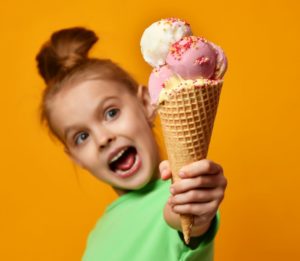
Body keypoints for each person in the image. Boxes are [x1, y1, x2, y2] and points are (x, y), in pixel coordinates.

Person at [36, 27, 227, 261]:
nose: (103, 139)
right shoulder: (98, 235)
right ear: (75, 157)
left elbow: (188, 224)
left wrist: (191, 214)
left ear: (147, 102)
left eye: (111, 113)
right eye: (81, 137)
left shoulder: (178, 197)